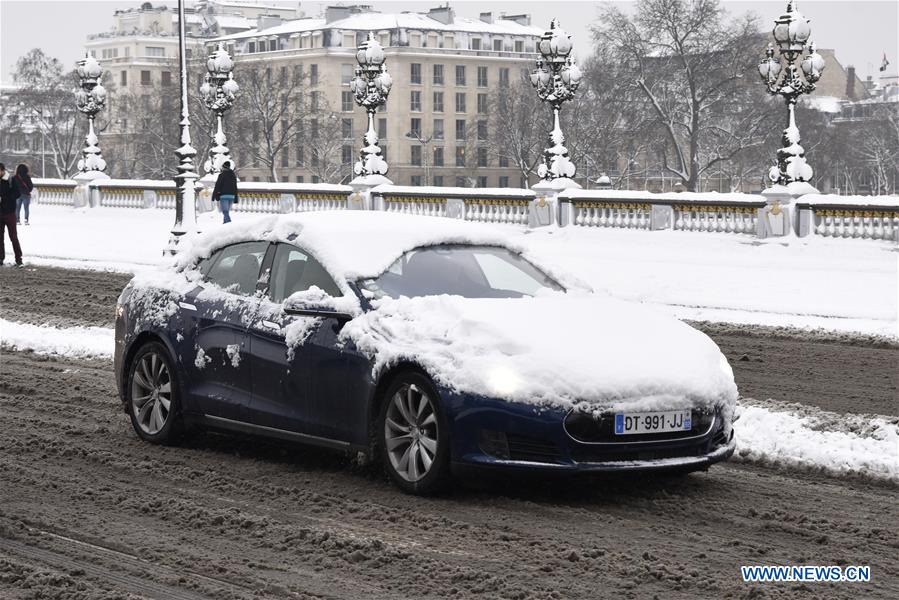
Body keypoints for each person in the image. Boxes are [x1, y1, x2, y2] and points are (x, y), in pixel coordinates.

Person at [0, 163, 24, 268]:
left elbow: (18, 193)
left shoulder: (11, 180)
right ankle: (0, 258)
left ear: (2, 170)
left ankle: (19, 259)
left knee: (13, 237)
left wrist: (6, 199)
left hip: (9, 212)